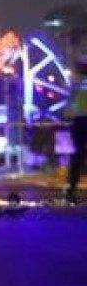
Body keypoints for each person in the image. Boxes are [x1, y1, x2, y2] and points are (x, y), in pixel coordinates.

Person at [64, 47, 87, 204]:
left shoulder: (76, 84)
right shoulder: (77, 84)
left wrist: (67, 116)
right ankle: (71, 190)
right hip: (80, 121)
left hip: (78, 122)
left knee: (77, 156)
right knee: (77, 156)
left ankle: (71, 190)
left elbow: (69, 104)